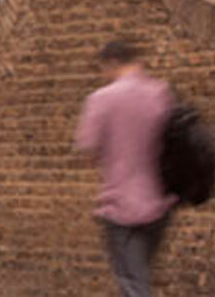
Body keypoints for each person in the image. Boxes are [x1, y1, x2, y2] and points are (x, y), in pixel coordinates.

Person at [74, 40, 177, 296]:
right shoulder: (160, 93)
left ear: (111, 63)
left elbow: (88, 148)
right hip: (160, 204)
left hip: (121, 207)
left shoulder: (102, 99)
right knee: (139, 274)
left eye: (103, 69)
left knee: (133, 283)